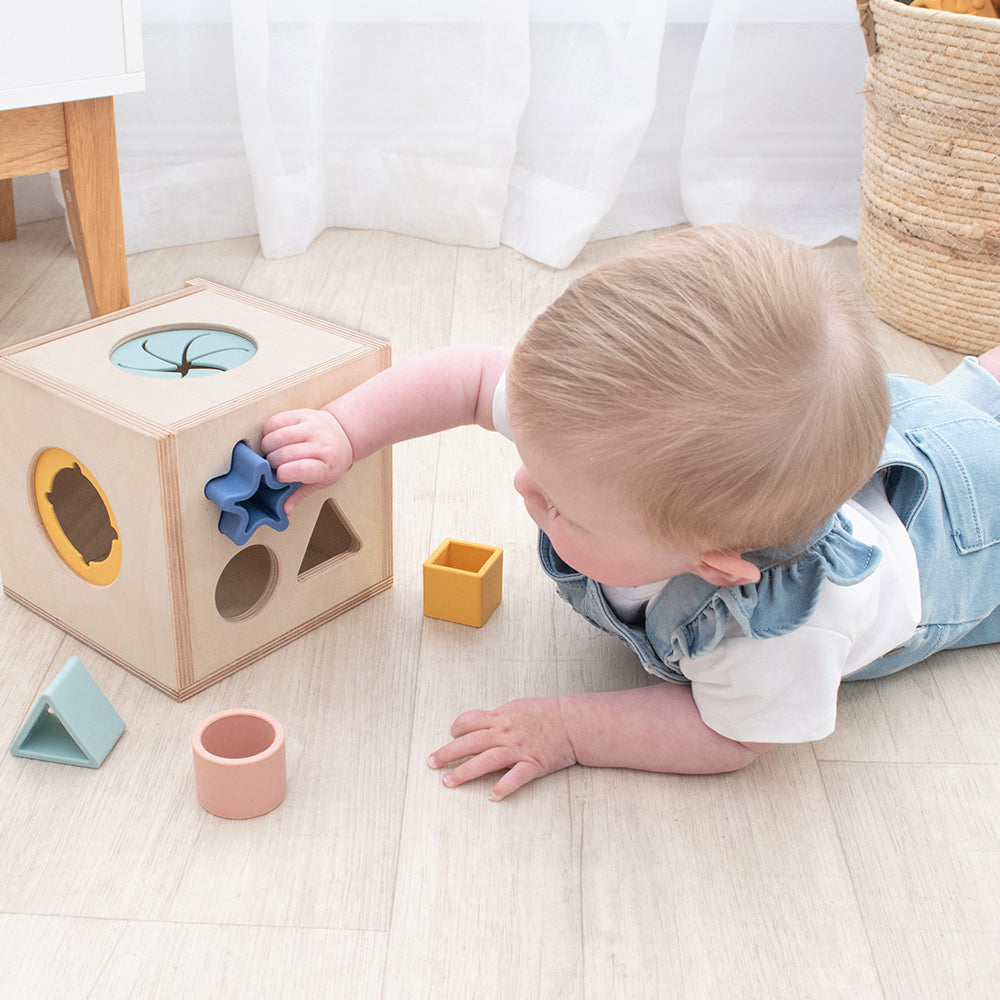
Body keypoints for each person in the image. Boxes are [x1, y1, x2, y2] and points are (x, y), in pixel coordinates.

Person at [261, 224, 1000, 801]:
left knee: (979, 452)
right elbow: (469, 377)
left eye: (564, 509)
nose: (524, 482)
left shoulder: (776, 637)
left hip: (964, 546)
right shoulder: (598, 430)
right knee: (965, 408)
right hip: (907, 433)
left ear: (714, 565)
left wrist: (570, 729)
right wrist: (347, 430)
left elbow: (730, 738)